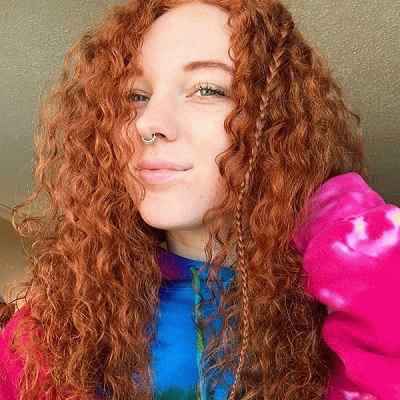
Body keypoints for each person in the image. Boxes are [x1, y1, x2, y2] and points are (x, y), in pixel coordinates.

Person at [0, 0, 399, 399]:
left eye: (207, 89)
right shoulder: (53, 326)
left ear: (275, 126)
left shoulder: (328, 310)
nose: (148, 123)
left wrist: (346, 224)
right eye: (136, 95)